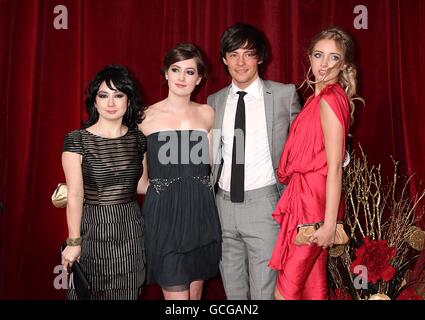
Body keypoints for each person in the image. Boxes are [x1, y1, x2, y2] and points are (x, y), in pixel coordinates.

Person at [207, 22, 301, 300]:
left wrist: (337, 157)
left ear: (260, 56)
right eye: (233, 54)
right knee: (233, 293)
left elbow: (305, 142)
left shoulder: (284, 95)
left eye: (248, 53)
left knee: (264, 292)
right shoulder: (214, 101)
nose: (240, 61)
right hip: (222, 206)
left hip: (265, 206)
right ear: (224, 59)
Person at [268, 27, 363, 300]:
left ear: (344, 64)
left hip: (315, 203)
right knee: (313, 286)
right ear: (309, 57)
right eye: (319, 55)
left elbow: (334, 166)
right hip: (307, 196)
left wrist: (330, 225)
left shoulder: (331, 99)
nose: (324, 64)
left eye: (334, 57)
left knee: (284, 293)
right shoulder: (316, 98)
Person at [138, 43, 221, 300]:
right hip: (164, 218)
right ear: (165, 73)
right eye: (176, 70)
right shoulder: (144, 117)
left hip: (201, 215)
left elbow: (217, 165)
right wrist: (166, 193)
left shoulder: (209, 114)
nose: (181, 78)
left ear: (199, 79)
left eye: (189, 72)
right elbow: (140, 182)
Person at [61, 65, 147, 300]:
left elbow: (142, 186)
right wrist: (74, 241)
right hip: (93, 232)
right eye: (103, 95)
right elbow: (75, 195)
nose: (111, 103)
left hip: (130, 231)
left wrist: (181, 186)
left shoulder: (139, 139)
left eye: (118, 95)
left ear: (128, 101)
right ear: (95, 101)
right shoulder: (77, 140)